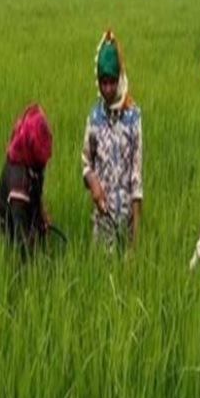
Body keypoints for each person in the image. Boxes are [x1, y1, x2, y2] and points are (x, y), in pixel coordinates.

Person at [82, 30, 143, 250]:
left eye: (112, 82)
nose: (107, 89)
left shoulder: (133, 116)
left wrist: (134, 244)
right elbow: (86, 163)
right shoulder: (94, 118)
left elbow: (137, 178)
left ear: (119, 79)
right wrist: (94, 185)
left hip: (126, 221)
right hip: (102, 222)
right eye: (103, 82)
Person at [0, 104, 53, 255]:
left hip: (25, 209)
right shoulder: (18, 177)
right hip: (8, 222)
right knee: (17, 256)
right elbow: (21, 232)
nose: (43, 164)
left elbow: (36, 187)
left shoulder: (34, 160)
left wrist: (41, 212)